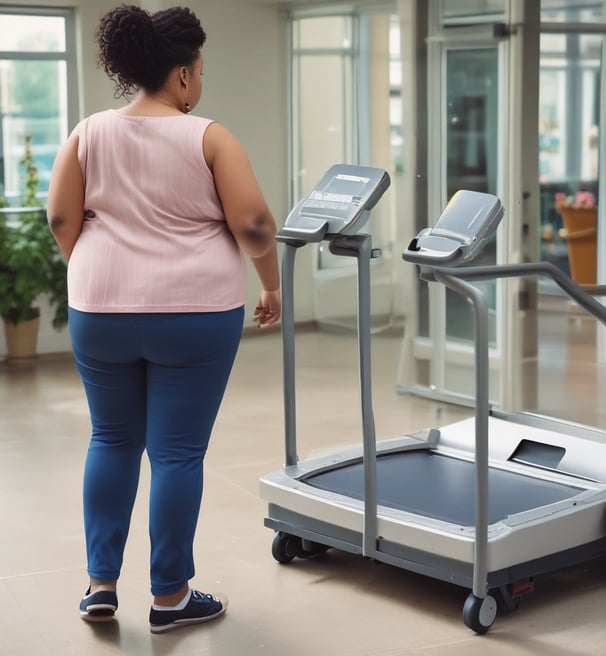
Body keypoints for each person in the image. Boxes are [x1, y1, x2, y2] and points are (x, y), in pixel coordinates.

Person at [46, 4, 280, 634]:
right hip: (195, 312)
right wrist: (272, 285)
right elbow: (255, 226)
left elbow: (61, 220)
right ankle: (170, 598)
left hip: (99, 310)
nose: (199, 84)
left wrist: (98, 267)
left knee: (112, 439)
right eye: (198, 72)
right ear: (182, 76)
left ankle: (100, 586)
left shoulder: (87, 132)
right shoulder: (209, 136)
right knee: (176, 452)